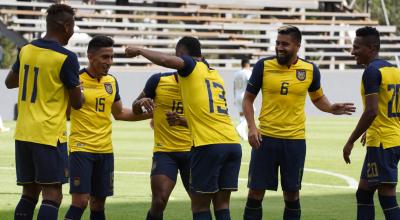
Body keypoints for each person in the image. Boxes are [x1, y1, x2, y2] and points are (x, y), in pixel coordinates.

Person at [242, 25, 355, 220]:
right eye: (277, 43)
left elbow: (318, 99)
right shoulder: (263, 66)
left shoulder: (310, 69)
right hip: (265, 139)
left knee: (292, 195)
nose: (279, 47)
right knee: (255, 193)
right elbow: (248, 99)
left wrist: (331, 108)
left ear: (297, 46)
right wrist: (252, 127)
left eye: (285, 44)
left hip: (294, 141)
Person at [126, 36, 242, 220]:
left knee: (200, 207)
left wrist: (139, 50)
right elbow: (208, 116)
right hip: (185, 148)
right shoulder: (212, 77)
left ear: (180, 57)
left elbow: (165, 60)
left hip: (200, 147)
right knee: (163, 200)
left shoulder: (192, 69)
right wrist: (142, 103)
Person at [4, 4, 84, 220]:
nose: (73, 31)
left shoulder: (27, 49)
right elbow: (77, 103)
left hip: (23, 131)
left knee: (29, 192)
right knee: (53, 195)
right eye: (73, 26)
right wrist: (79, 89)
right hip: (48, 135)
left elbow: (10, 82)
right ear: (67, 26)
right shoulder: (66, 57)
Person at [64, 35, 150, 220]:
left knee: (98, 204)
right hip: (81, 149)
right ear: (90, 56)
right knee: (80, 202)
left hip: (105, 151)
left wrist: (152, 114)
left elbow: (119, 113)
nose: (109, 62)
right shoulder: (76, 80)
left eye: (111, 57)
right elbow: (65, 113)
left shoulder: (111, 81)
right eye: (105, 57)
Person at [343, 26, 400, 220]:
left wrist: (350, 141)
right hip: (390, 139)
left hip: (383, 143)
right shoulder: (394, 69)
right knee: (364, 192)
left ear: (372, 48)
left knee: (387, 196)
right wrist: (371, 129)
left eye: (357, 47)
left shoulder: (371, 72)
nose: (353, 52)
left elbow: (372, 111)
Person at [132, 71, 192, 220]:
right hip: (165, 151)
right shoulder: (158, 80)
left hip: (194, 150)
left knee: (200, 203)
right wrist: (141, 103)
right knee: (159, 201)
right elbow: (135, 108)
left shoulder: (201, 82)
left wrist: (181, 120)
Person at [233, 58, 252, 141]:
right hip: (245, 95)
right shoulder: (248, 72)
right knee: (250, 114)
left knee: (242, 115)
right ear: (247, 64)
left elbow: (234, 87)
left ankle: (243, 136)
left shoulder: (236, 74)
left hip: (237, 95)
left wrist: (234, 98)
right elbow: (250, 83)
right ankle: (240, 127)